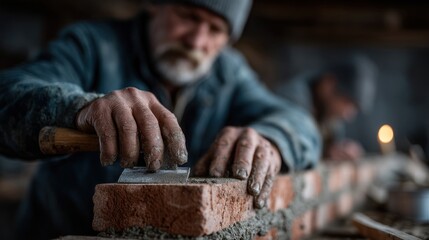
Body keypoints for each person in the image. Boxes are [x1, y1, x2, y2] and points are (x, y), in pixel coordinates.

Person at [0, 0, 321, 239]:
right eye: (188, 16)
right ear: (155, 4)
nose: (196, 41)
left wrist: (272, 138)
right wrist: (81, 107)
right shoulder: (91, 44)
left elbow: (299, 122)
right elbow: (8, 94)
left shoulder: (229, 73)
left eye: (216, 29)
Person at [276, 56, 377, 161]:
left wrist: (339, 149)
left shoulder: (329, 112)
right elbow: (288, 146)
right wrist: (325, 153)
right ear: (328, 84)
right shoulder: (291, 100)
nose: (348, 115)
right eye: (347, 102)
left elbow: (330, 144)